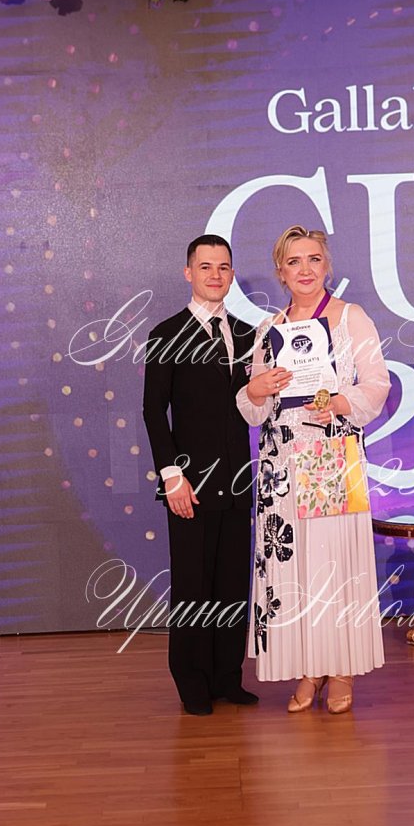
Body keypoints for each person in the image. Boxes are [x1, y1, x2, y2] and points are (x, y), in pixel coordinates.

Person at [236, 226, 391, 714]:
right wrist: (255, 390)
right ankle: (309, 665)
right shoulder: (269, 330)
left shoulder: (350, 318)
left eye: (314, 259)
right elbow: (254, 408)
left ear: (327, 266)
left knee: (334, 562)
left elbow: (378, 384)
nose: (305, 269)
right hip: (281, 462)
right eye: (294, 261)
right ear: (280, 273)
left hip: (330, 454)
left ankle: (340, 667)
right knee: (293, 568)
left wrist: (340, 402)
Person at [143, 234, 258, 716]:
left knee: (231, 584)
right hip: (189, 484)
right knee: (193, 585)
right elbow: (153, 411)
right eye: (206, 266)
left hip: (238, 481)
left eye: (224, 267)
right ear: (188, 272)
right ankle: (191, 681)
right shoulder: (166, 333)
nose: (215, 275)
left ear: (232, 274)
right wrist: (172, 475)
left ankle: (227, 677)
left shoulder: (249, 335)